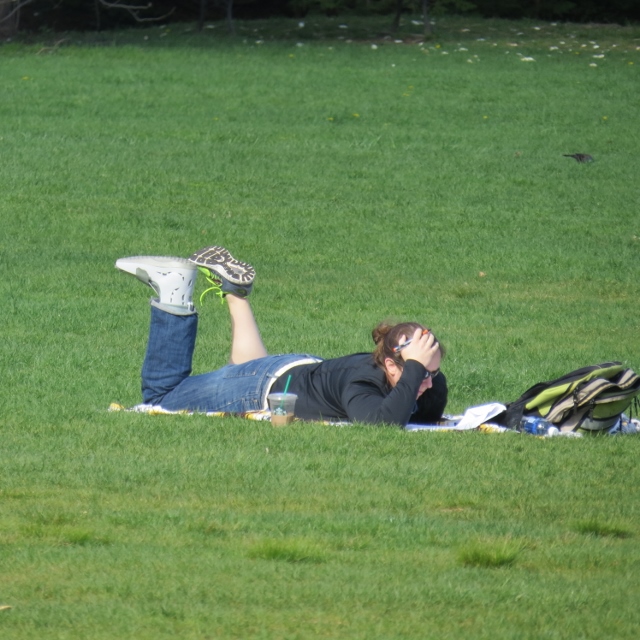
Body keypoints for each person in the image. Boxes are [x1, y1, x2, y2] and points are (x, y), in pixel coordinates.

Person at [115, 246, 448, 427]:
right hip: (261, 388)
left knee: (247, 364)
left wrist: (423, 372)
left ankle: (235, 292)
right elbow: (382, 426)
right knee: (159, 399)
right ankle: (173, 287)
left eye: (432, 372)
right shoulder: (361, 384)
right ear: (389, 364)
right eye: (417, 370)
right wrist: (417, 370)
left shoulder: (409, 376)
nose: (427, 382)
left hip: (286, 372)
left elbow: (424, 413)